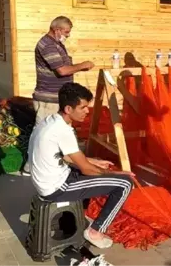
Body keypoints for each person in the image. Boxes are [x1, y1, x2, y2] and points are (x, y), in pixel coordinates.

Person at [27, 82, 134, 249]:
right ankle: (96, 231)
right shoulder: (63, 130)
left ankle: (72, 222)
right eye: (83, 107)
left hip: (47, 181)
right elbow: (86, 169)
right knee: (124, 184)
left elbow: (65, 155)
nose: (87, 111)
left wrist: (93, 161)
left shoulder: (50, 121)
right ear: (69, 109)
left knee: (93, 168)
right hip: (57, 188)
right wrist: (117, 174)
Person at [25, 16, 95, 175]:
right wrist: (83, 66)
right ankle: (31, 168)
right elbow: (62, 70)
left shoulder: (57, 44)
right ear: (57, 30)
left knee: (57, 132)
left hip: (57, 97)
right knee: (42, 133)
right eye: (66, 32)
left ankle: (55, 164)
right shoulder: (47, 45)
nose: (68, 35)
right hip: (48, 99)